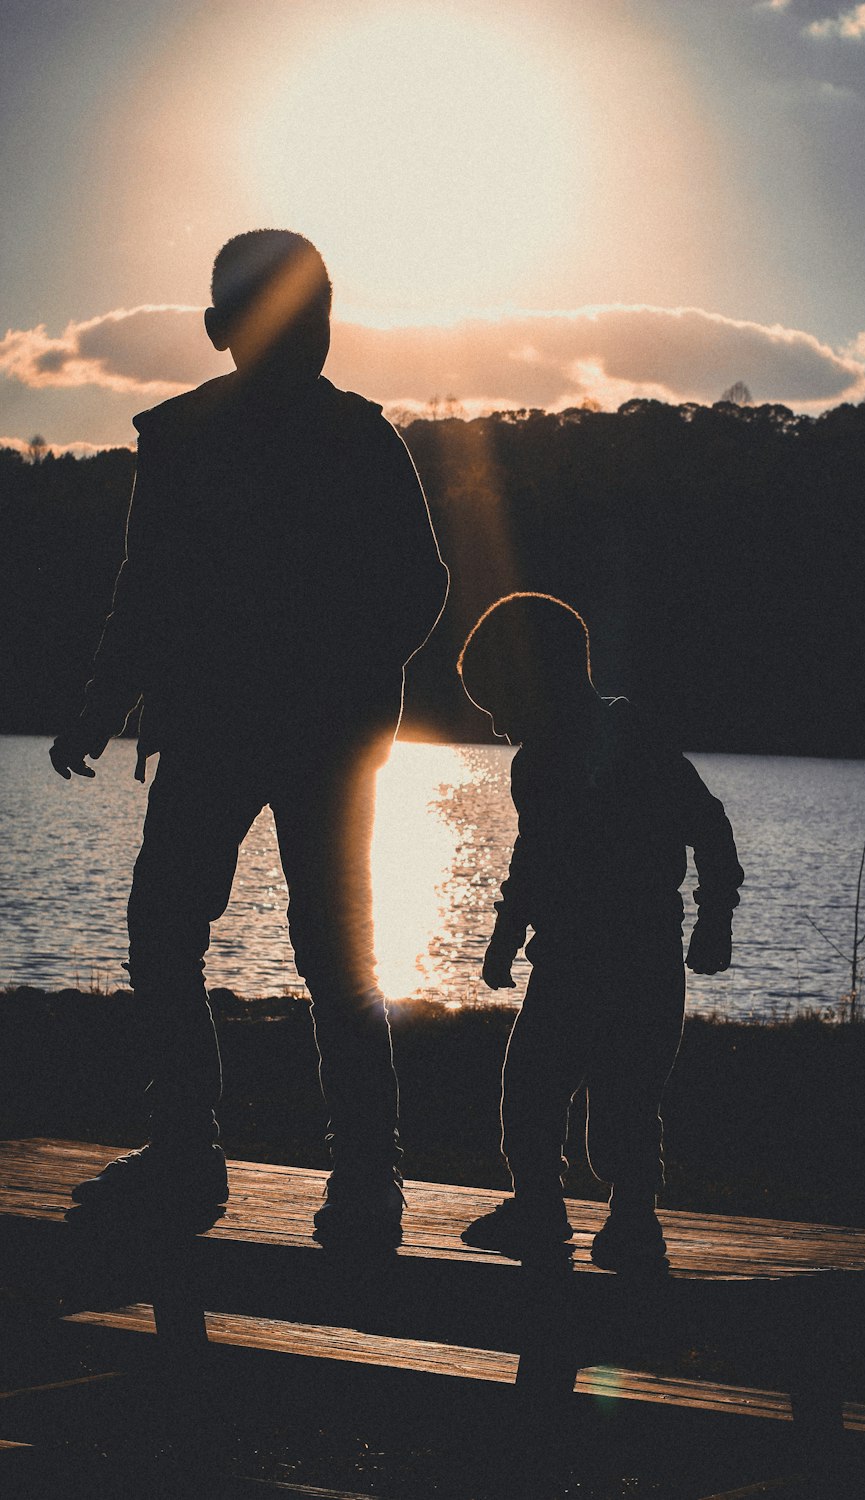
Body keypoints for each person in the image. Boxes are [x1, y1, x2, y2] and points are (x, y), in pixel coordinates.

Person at [49, 229, 448, 1247]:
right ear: (222, 332)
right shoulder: (181, 439)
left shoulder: (360, 438)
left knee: (332, 954)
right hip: (217, 730)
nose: (298, 342)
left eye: (310, 323)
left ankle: (362, 1170)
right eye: (279, 323)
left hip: (318, 735)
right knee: (167, 931)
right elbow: (145, 586)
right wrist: (103, 700)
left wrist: (343, 671)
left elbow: (419, 583)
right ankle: (192, 1147)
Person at [456, 593, 742, 1270]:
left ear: (539, 679)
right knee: (528, 1088)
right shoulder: (533, 765)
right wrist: (505, 933)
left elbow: (709, 824)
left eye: (499, 704)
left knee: (625, 1102)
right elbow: (533, 859)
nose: (497, 726)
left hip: (640, 964)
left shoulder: (632, 739)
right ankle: (539, 1204)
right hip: (563, 965)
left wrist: (716, 915)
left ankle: (633, 1218)